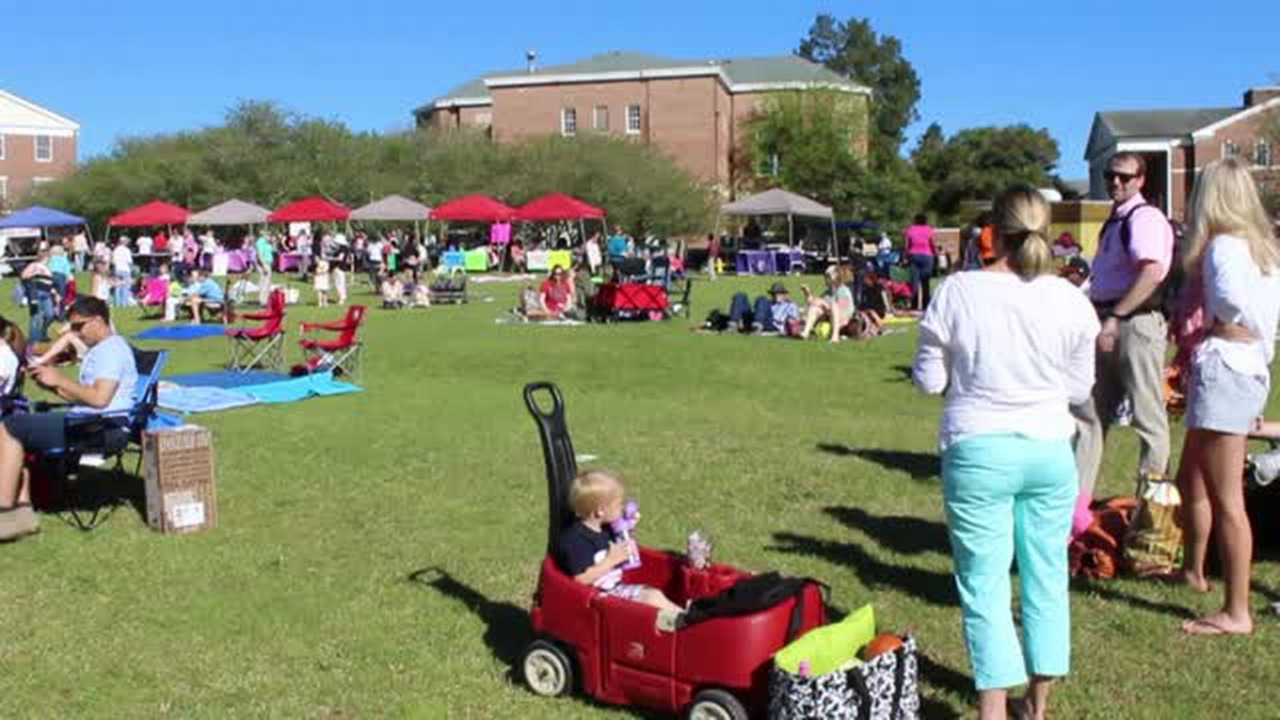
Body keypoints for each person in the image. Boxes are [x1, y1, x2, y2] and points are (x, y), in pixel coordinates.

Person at [914, 187, 1098, 720]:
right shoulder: (1071, 298)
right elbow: (1079, 388)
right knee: (1046, 576)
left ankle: (993, 710)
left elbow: (929, 381)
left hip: (978, 450)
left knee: (984, 584)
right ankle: (1036, 708)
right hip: (1048, 450)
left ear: (992, 230)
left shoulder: (958, 290)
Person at [1166, 159, 1280, 636]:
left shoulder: (1224, 248)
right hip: (1248, 366)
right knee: (1191, 475)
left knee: (1227, 496)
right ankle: (1193, 571)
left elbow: (1231, 302)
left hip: (1227, 368)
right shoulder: (1265, 251)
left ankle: (1237, 609)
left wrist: (1219, 326)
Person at [1073, 152, 1176, 515]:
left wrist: (1116, 315)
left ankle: (1150, 515)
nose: (1116, 182)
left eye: (1124, 177)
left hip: (1135, 323)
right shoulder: (1115, 220)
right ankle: (1075, 509)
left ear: (1141, 180)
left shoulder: (1144, 218)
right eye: (1110, 176)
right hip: (1107, 320)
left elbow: (1152, 272)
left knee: (1148, 419)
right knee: (1088, 417)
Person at [0, 297, 138, 542]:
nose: (75, 334)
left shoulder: (113, 351)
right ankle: (20, 516)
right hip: (90, 422)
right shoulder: (102, 350)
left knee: (10, 428)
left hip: (103, 429)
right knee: (17, 429)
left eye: (78, 326)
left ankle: (6, 514)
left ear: (97, 321)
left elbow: (99, 399)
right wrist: (51, 385)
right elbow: (84, 396)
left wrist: (60, 380)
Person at [557, 469, 683, 615]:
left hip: (615, 589)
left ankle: (685, 616)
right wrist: (611, 560)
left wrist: (628, 529)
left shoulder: (606, 528)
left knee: (653, 593)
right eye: (618, 504)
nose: (622, 508)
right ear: (600, 511)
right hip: (597, 598)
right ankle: (689, 623)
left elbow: (627, 550)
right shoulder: (575, 540)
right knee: (651, 598)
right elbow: (580, 580)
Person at [798, 266, 854, 343]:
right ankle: (805, 332)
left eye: (827, 276)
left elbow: (843, 310)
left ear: (834, 278)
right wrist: (807, 293)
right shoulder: (828, 292)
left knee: (833, 306)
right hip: (829, 318)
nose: (826, 279)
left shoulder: (843, 290)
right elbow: (813, 302)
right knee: (815, 308)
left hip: (843, 320)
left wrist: (824, 304)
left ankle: (835, 337)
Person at [726, 282, 800, 335]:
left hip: (774, 325)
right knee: (740, 295)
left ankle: (757, 326)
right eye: (774, 293)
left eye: (779, 293)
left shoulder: (790, 305)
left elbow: (795, 321)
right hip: (757, 320)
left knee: (762, 298)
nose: (777, 295)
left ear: (784, 294)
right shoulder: (769, 303)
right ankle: (733, 324)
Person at [20, 248, 59, 343]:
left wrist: (55, 292)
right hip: (34, 293)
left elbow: (49, 282)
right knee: (35, 316)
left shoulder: (48, 268)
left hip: (46, 294)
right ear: (45, 257)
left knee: (50, 315)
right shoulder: (34, 265)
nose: (50, 260)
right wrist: (34, 272)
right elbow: (23, 276)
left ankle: (42, 332)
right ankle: (33, 338)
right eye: (49, 258)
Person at [904, 213, 938, 310]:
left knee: (915, 282)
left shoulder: (910, 229)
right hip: (927, 256)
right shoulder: (929, 229)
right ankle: (926, 305)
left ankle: (914, 305)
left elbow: (907, 245)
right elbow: (932, 243)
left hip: (914, 256)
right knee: (925, 282)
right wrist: (935, 254)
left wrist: (906, 256)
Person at [110, 236, 134, 308]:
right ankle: (124, 303)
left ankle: (117, 303)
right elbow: (129, 261)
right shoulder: (127, 250)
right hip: (125, 269)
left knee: (118, 287)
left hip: (117, 269)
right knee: (125, 287)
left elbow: (113, 261)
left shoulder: (115, 250)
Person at [254, 232, 274, 306]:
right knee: (264, 281)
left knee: (268, 282)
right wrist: (263, 265)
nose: (270, 237)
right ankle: (263, 300)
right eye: (269, 236)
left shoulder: (267, 243)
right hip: (264, 263)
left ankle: (266, 298)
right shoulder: (260, 242)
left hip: (268, 263)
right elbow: (260, 254)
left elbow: (272, 250)